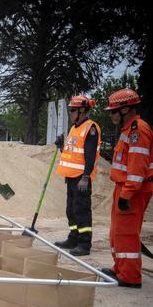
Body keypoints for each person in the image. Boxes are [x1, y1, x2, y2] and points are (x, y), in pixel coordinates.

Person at [101, 88, 152, 288]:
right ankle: (120, 267)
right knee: (117, 232)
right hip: (124, 187)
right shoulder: (128, 130)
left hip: (133, 190)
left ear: (126, 109)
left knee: (127, 233)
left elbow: (137, 167)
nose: (111, 115)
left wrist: (127, 193)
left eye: (114, 111)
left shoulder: (137, 131)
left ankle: (130, 276)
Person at [53, 95, 101, 256]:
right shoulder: (74, 128)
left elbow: (90, 155)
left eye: (73, 110)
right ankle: (73, 238)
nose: (71, 113)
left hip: (81, 178)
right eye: (70, 110)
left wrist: (86, 177)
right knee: (71, 210)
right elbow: (70, 153)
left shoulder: (90, 128)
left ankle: (84, 243)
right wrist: (61, 146)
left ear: (82, 111)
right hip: (71, 177)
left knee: (81, 211)